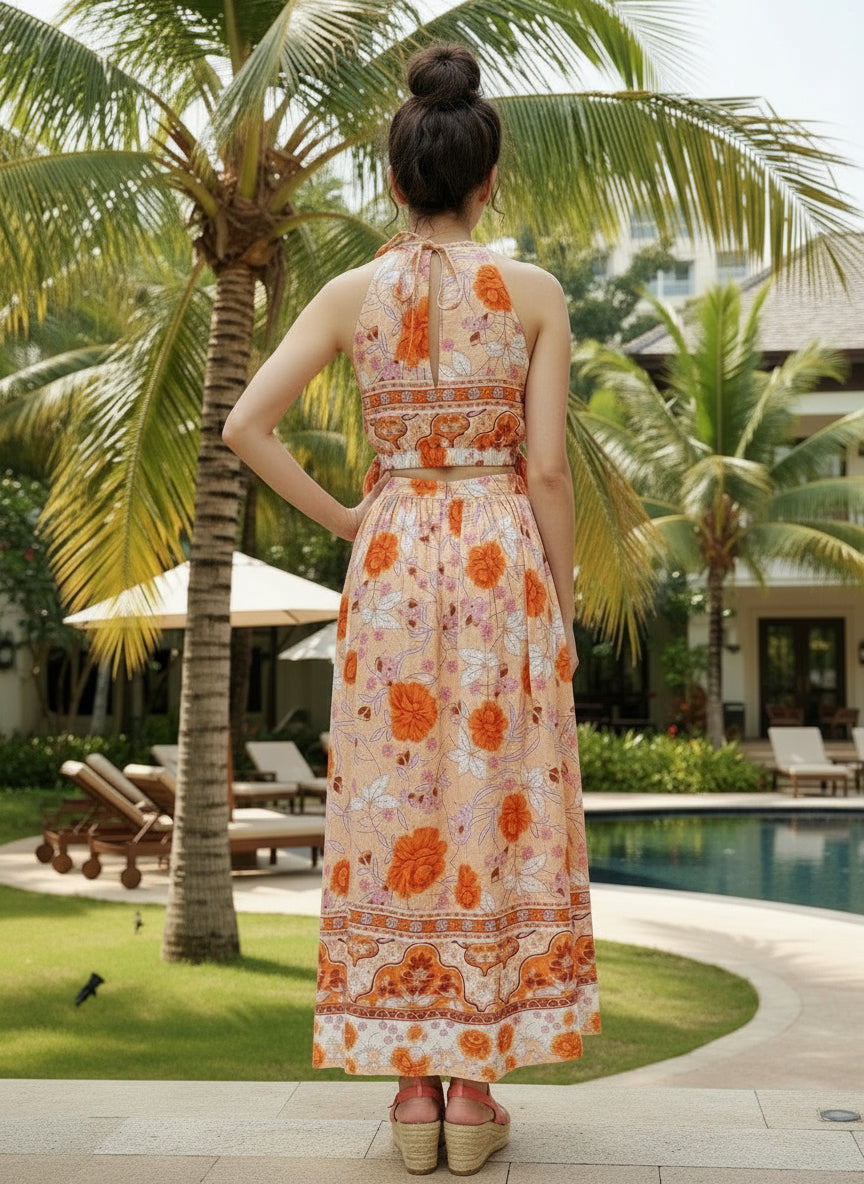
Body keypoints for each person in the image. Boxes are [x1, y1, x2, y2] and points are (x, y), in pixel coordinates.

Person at [223, 42, 600, 1178]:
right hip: (500, 560)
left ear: (396, 180)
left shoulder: (352, 296)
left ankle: (409, 1091)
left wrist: (352, 518)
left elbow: (245, 426)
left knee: (394, 803)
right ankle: (475, 1088)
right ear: (489, 180)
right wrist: (563, 605)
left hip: (392, 561)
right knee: (491, 801)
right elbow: (545, 472)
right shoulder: (532, 295)